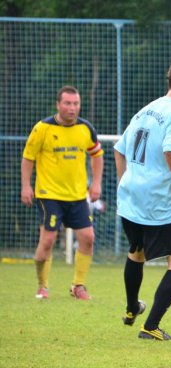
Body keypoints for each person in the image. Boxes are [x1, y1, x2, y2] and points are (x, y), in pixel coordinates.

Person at [114, 60, 171, 341]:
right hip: (158, 199)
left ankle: (132, 308)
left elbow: (119, 149)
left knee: (137, 252)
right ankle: (150, 326)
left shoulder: (146, 110)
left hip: (130, 196)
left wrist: (127, 181)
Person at [21, 85, 104, 300]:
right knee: (48, 240)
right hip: (49, 194)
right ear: (58, 105)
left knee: (88, 237)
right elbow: (28, 157)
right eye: (67, 103)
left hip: (77, 196)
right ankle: (43, 286)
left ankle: (78, 286)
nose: (72, 108)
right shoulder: (43, 128)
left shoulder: (85, 128)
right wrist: (26, 186)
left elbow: (97, 155)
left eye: (76, 103)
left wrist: (96, 184)